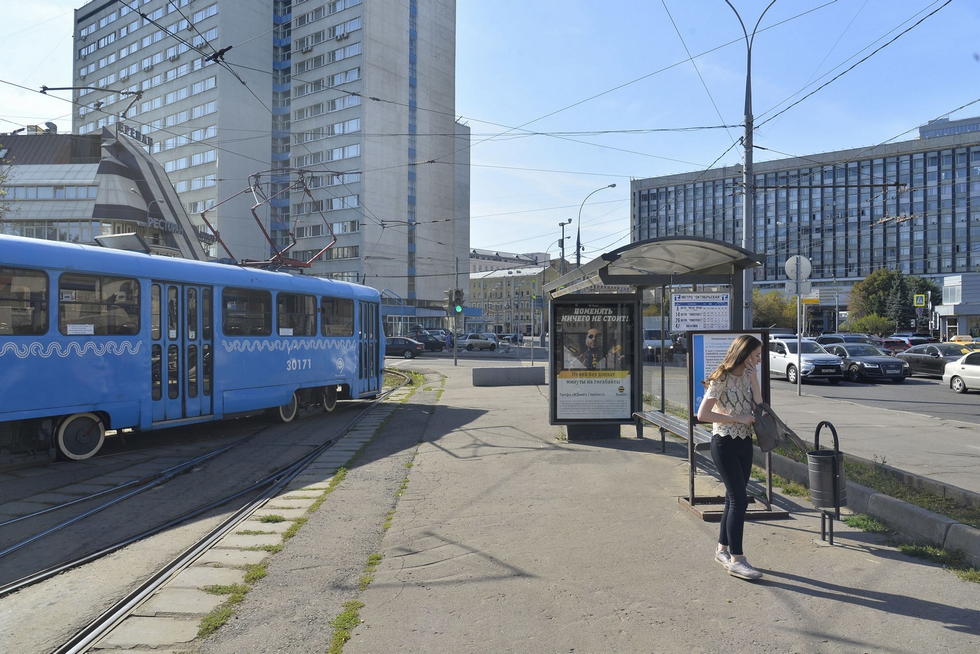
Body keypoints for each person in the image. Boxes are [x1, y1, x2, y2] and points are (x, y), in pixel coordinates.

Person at [696, 334, 764, 581]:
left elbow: (759, 404)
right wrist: (737, 418)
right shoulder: (721, 378)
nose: (758, 360)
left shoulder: (748, 375)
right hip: (724, 442)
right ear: (744, 354)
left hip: (744, 442)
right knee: (739, 500)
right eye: (755, 356)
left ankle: (721, 550)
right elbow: (702, 415)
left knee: (732, 498)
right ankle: (738, 559)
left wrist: (754, 378)